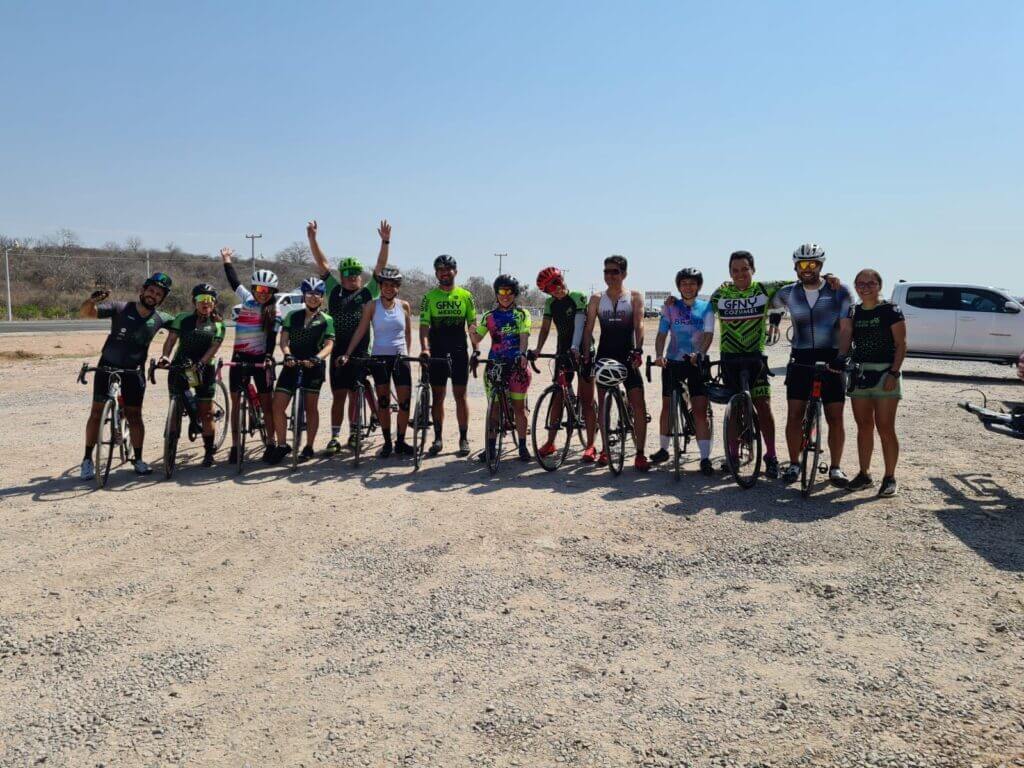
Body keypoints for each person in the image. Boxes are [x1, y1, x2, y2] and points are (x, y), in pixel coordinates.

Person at [771, 243, 854, 486]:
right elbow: (763, 297)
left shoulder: (840, 291)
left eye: (813, 264)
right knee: (794, 415)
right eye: (802, 264)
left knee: (835, 417)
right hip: (801, 359)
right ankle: (794, 463)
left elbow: (846, 328)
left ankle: (836, 468)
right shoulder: (787, 292)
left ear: (821, 265)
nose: (807, 268)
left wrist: (842, 356)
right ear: (795, 267)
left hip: (832, 358)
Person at [79, 273, 175, 479]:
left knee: (135, 416)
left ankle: (138, 459)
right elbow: (87, 312)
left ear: (162, 299)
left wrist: (166, 354)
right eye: (151, 290)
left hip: (134, 371)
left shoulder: (161, 318)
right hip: (107, 366)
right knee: (96, 414)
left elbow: (182, 327)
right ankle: (87, 459)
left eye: (158, 294)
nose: (153, 295)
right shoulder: (120, 308)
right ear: (143, 290)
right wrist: (91, 301)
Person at [307, 219, 390, 454]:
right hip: (337, 350)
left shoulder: (368, 292)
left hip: (361, 351)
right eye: (347, 273)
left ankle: (354, 433)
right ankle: (335, 436)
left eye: (356, 274)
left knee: (355, 395)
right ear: (341, 276)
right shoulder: (334, 290)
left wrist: (385, 242)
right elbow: (322, 264)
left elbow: (380, 266)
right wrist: (313, 239)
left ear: (361, 277)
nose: (352, 277)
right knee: (338, 396)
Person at [707, 251, 791, 479]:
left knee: (763, 405)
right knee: (733, 409)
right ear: (729, 273)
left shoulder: (763, 289)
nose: (740, 274)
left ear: (753, 269)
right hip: (730, 358)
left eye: (745, 269)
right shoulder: (721, 293)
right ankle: (733, 455)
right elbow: (697, 307)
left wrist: (827, 279)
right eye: (735, 270)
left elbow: (798, 283)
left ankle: (771, 456)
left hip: (755, 357)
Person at [581, 255, 649, 472]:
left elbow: (639, 325)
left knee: (638, 404)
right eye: (606, 271)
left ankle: (640, 453)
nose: (609, 275)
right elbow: (588, 329)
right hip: (604, 355)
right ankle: (604, 449)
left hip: (628, 356)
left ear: (624, 274)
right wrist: (586, 356)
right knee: (603, 404)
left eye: (615, 272)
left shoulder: (634, 297)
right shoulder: (596, 299)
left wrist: (638, 349)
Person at [339, 266, 413, 457]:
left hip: (400, 357)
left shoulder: (404, 306)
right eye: (385, 285)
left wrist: (407, 354)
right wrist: (347, 353)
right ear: (380, 286)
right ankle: (387, 442)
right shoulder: (372, 306)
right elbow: (361, 330)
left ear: (398, 287)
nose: (389, 288)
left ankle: (401, 442)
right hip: (379, 358)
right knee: (384, 403)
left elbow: (407, 333)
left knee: (405, 403)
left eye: (393, 285)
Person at [846, 269, 906, 497]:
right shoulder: (854, 311)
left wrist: (894, 373)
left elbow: (901, 344)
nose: (865, 288)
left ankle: (890, 477)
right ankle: (864, 474)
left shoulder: (890, 310)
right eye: (860, 284)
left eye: (870, 283)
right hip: (860, 375)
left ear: (879, 285)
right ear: (855, 286)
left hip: (885, 375)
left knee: (885, 427)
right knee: (863, 427)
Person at [221, 247, 282, 463]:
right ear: (254, 288)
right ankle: (235, 446)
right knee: (236, 403)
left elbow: (272, 337)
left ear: (273, 292)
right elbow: (234, 281)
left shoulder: (275, 311)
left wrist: (268, 356)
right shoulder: (247, 299)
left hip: (260, 360)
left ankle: (271, 443)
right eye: (259, 289)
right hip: (239, 358)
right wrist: (227, 260)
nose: (262, 293)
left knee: (267, 405)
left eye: (268, 290)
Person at [652, 268, 715, 475]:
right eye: (684, 283)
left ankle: (705, 458)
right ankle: (664, 449)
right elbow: (662, 334)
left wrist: (701, 353)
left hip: (697, 362)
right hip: (673, 361)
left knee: (699, 410)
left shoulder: (706, 307)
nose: (688, 287)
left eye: (692, 283)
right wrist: (659, 355)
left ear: (698, 286)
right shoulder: (670, 307)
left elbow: (708, 334)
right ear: (679, 286)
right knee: (667, 405)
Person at [530, 266, 598, 460]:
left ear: (562, 279)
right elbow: (545, 329)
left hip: (583, 349)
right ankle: (550, 442)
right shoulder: (550, 303)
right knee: (557, 397)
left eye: (557, 283)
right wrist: (538, 349)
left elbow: (579, 325)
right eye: (550, 288)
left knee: (587, 400)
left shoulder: (577, 297)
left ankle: (591, 446)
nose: (556, 289)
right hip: (562, 350)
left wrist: (576, 347)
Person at [157, 283, 226, 468]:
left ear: (214, 303)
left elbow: (214, 348)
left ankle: (209, 452)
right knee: (175, 408)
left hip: (204, 369)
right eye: (201, 299)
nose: (205, 302)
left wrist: (201, 363)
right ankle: (171, 446)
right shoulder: (182, 318)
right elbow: (171, 340)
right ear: (194, 302)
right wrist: (165, 356)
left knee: (206, 413)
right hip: (181, 366)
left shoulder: (218, 325)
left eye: (209, 299)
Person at [419, 254, 479, 457]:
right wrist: (425, 348)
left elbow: (472, 325)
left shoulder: (466, 296)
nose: (444, 273)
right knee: (438, 397)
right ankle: (438, 438)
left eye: (448, 269)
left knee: (460, 396)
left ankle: (463, 438)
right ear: (436, 273)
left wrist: (476, 348)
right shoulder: (429, 297)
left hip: (459, 351)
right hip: (437, 351)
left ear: (455, 271)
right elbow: (424, 326)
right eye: (440, 270)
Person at [271, 277, 335, 463]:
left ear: (322, 297)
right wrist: (287, 355)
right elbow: (284, 340)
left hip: (313, 366)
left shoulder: (327, 320)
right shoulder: (292, 316)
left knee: (311, 408)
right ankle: (282, 445)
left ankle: (309, 446)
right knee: (277, 406)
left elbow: (329, 344)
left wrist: (317, 358)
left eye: (317, 294)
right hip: (292, 364)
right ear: (304, 296)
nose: (313, 297)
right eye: (309, 293)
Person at [470, 275, 532, 462]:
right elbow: (477, 338)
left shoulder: (522, 314)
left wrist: (522, 354)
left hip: (516, 366)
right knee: (494, 408)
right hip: (494, 366)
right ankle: (490, 448)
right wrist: (471, 328)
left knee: (519, 408)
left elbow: (524, 336)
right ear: (496, 293)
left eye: (509, 292)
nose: (505, 295)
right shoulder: (489, 316)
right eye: (502, 291)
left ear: (515, 294)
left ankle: (523, 446)